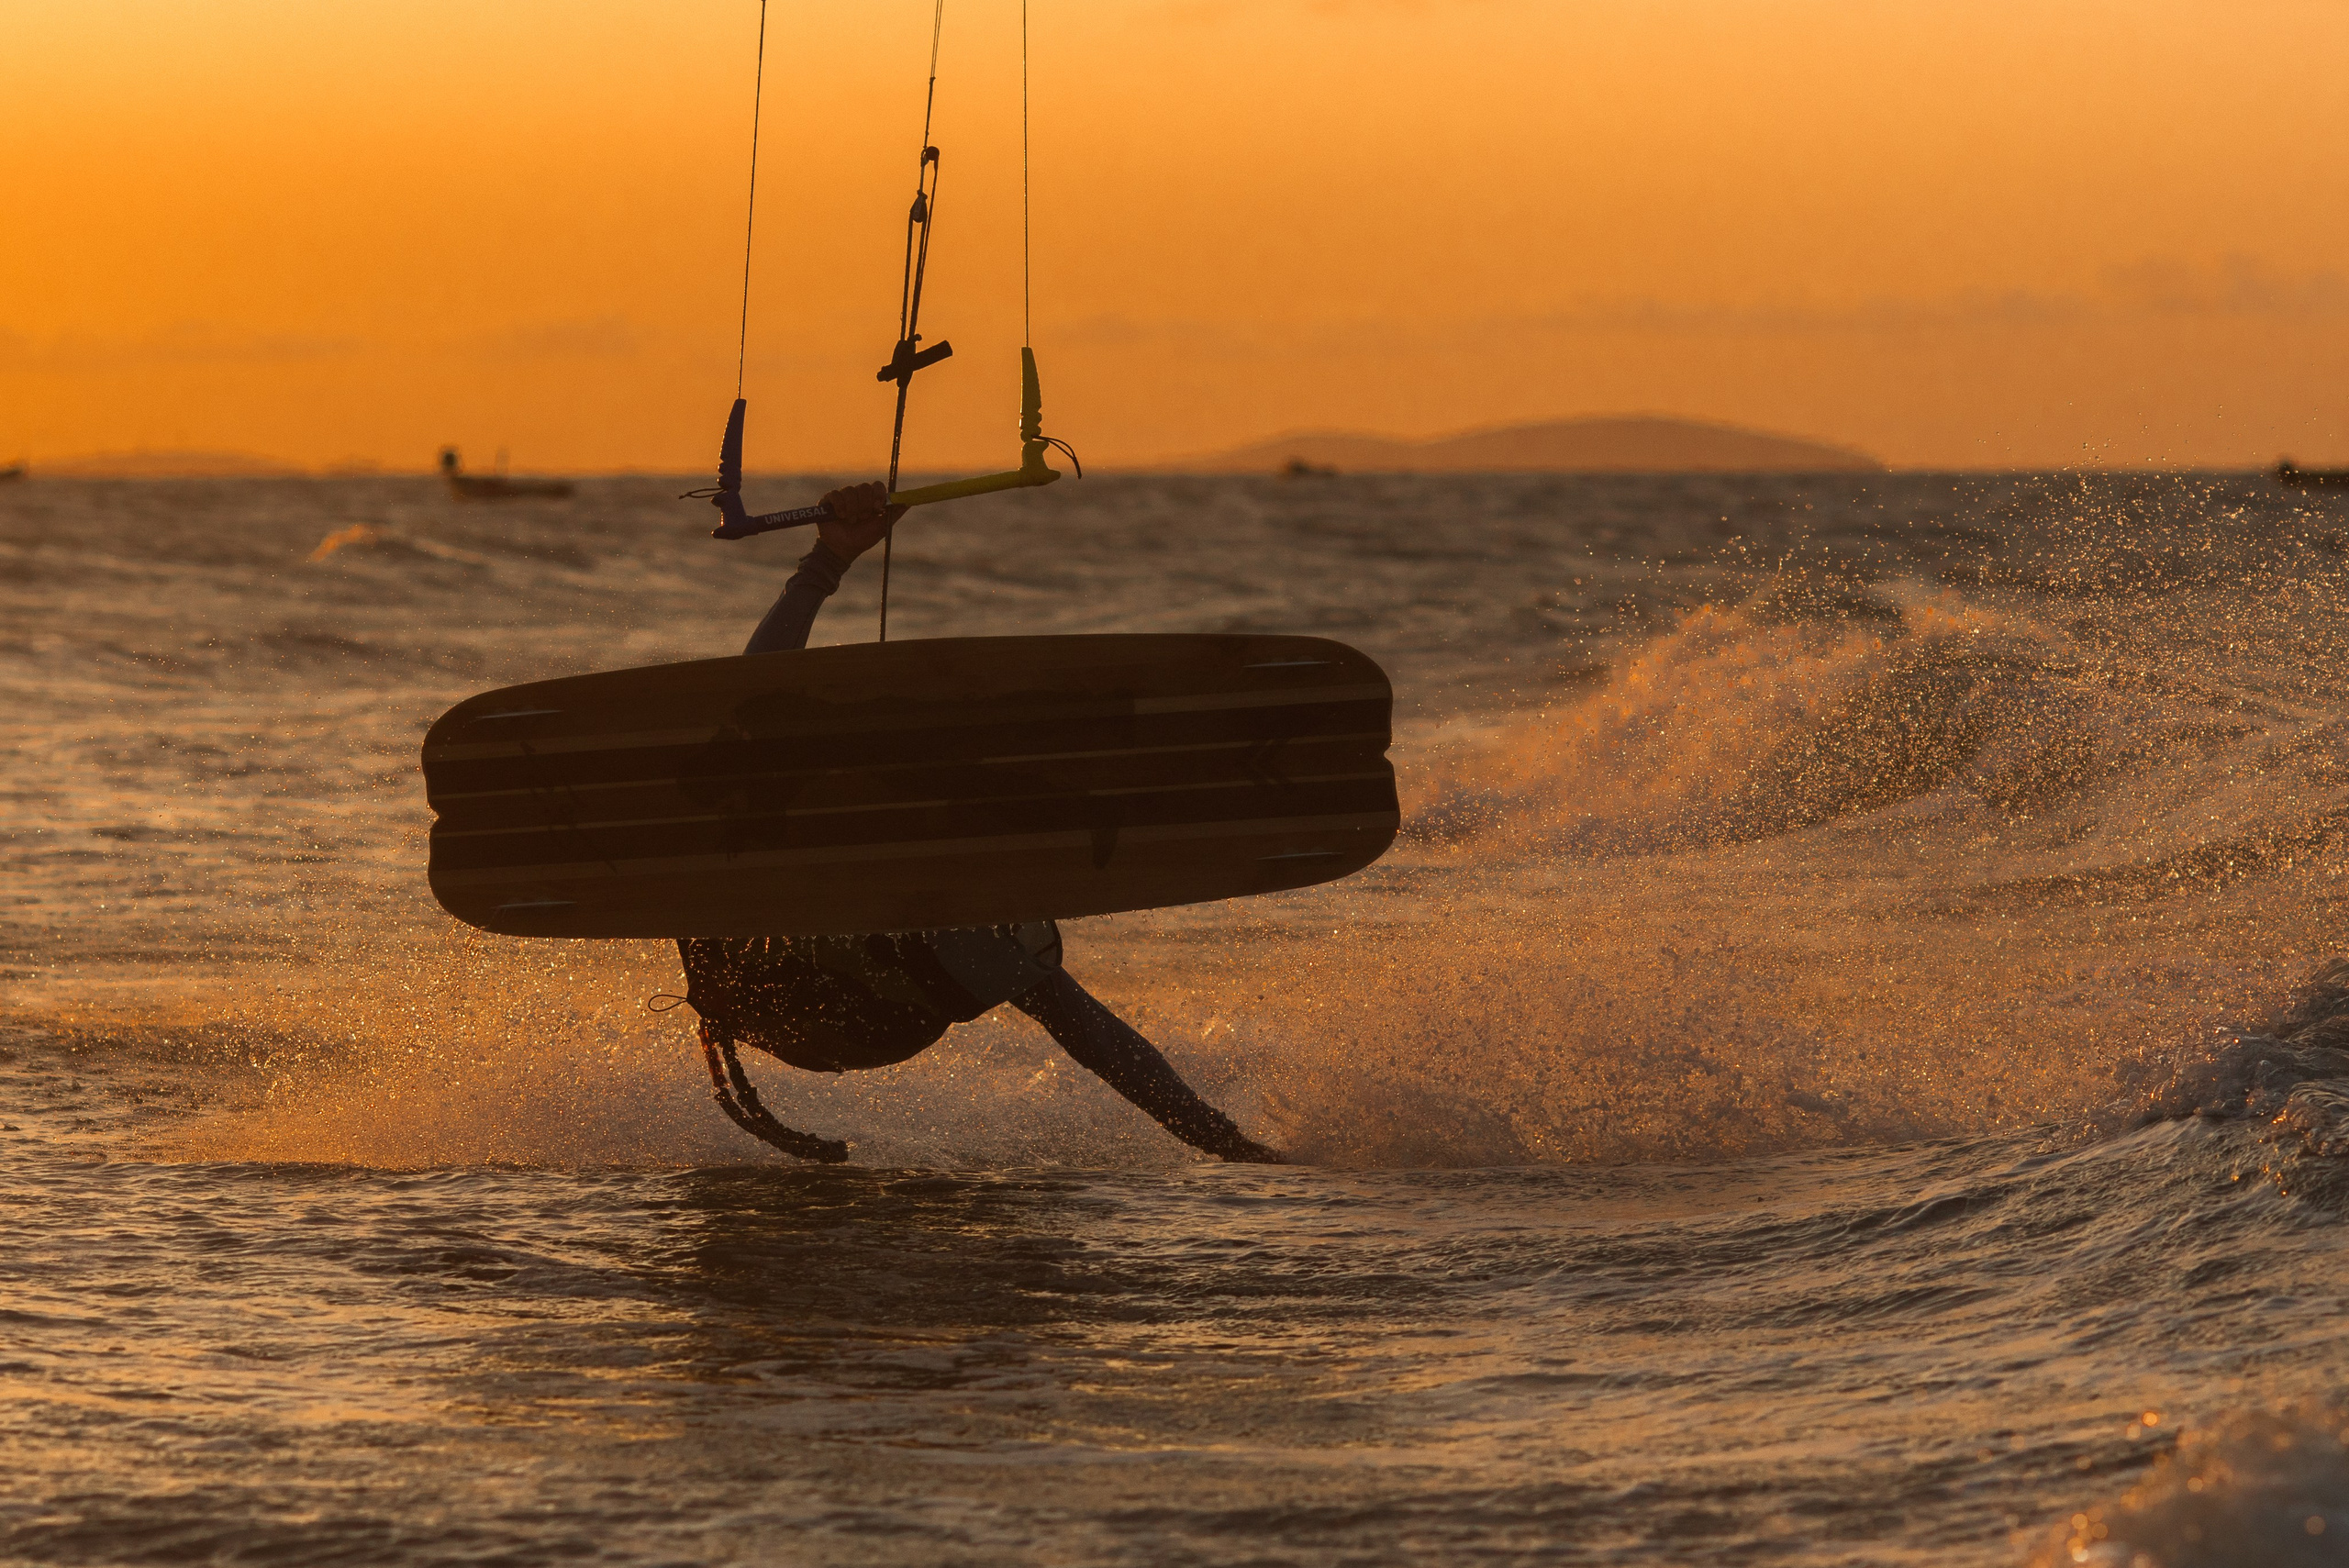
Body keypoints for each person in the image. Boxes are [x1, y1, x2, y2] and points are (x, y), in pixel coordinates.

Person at [673, 482, 1285, 1166]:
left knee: (764, 762)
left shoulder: (961, 922)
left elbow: (1100, 1040)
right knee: (770, 761)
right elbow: (1099, 1041)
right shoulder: (954, 914)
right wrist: (1226, 1143)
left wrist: (826, 564)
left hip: (818, 1006)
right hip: (811, 1002)